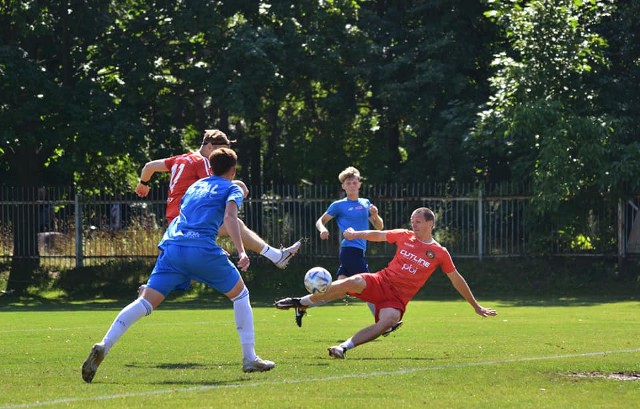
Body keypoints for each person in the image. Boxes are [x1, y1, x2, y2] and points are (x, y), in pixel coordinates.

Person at [82, 148, 275, 383]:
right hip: (202, 249)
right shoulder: (232, 187)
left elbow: (188, 215)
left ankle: (105, 344)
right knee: (240, 295)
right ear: (233, 170)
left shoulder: (196, 186)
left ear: (210, 167)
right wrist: (242, 251)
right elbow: (230, 218)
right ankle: (249, 358)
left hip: (173, 247)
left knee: (144, 302)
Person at [275, 207, 497, 359]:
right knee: (352, 281)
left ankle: (343, 347)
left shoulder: (439, 252)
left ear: (430, 223)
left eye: (418, 221)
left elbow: (456, 279)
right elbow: (378, 234)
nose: (414, 225)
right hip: (381, 281)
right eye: (412, 221)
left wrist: (476, 306)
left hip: (397, 299)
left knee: (388, 322)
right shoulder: (404, 236)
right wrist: (354, 234)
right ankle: (301, 301)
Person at [134, 129, 301, 269]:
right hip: (190, 222)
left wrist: (143, 184)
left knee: (183, 274)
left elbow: (149, 167)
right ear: (208, 146)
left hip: (176, 222)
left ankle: (275, 256)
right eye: (220, 150)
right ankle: (275, 256)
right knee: (234, 225)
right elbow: (216, 188)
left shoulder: (180, 159)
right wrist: (239, 186)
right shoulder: (203, 162)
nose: (221, 155)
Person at [290, 167, 389, 328]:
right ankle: (383, 323)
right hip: (350, 251)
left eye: (354, 182)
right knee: (370, 286)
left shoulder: (366, 203)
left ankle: (303, 305)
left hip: (357, 251)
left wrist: (376, 215)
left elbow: (379, 227)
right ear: (343, 186)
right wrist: (323, 229)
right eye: (348, 183)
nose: (351, 185)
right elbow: (320, 221)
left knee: (337, 291)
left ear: (359, 184)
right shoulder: (339, 205)